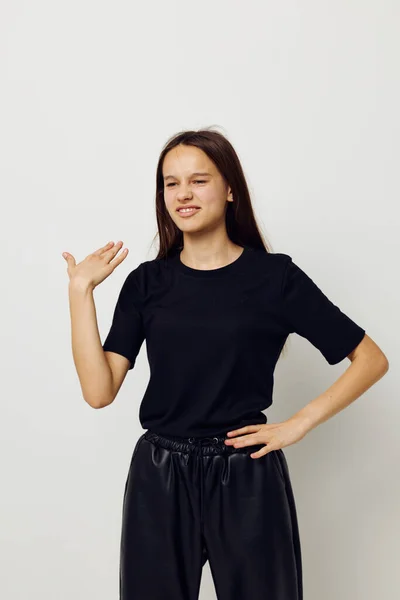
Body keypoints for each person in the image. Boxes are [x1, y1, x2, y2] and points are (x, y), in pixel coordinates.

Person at [63, 128, 389, 600]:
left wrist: (297, 424)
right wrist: (80, 293)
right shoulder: (147, 282)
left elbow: (371, 360)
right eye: (170, 183)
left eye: (198, 180)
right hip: (160, 473)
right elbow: (99, 392)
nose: (183, 194)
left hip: (246, 471)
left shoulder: (275, 278)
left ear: (230, 188)